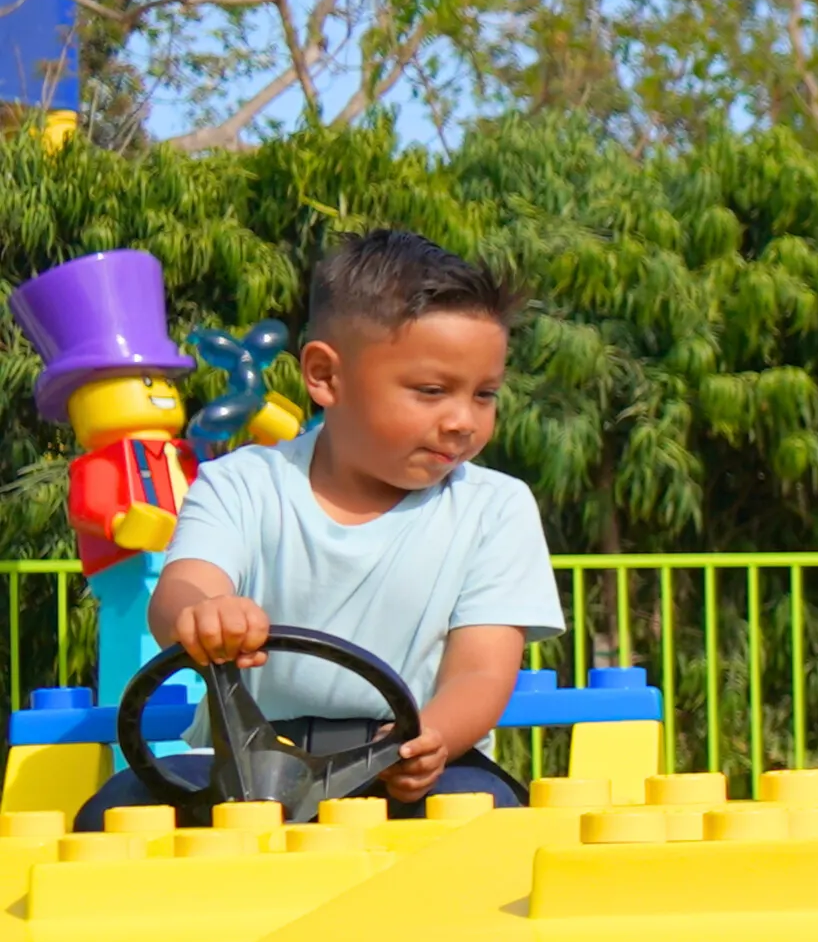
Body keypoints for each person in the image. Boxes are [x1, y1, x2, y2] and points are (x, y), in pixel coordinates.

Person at [125, 230, 560, 813]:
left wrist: (431, 739)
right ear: (326, 377)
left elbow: (480, 671)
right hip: (244, 763)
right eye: (432, 391)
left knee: (485, 821)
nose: (463, 421)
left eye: (485, 394)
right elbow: (183, 588)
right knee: (116, 811)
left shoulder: (495, 508)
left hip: (404, 756)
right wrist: (202, 614)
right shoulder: (244, 483)